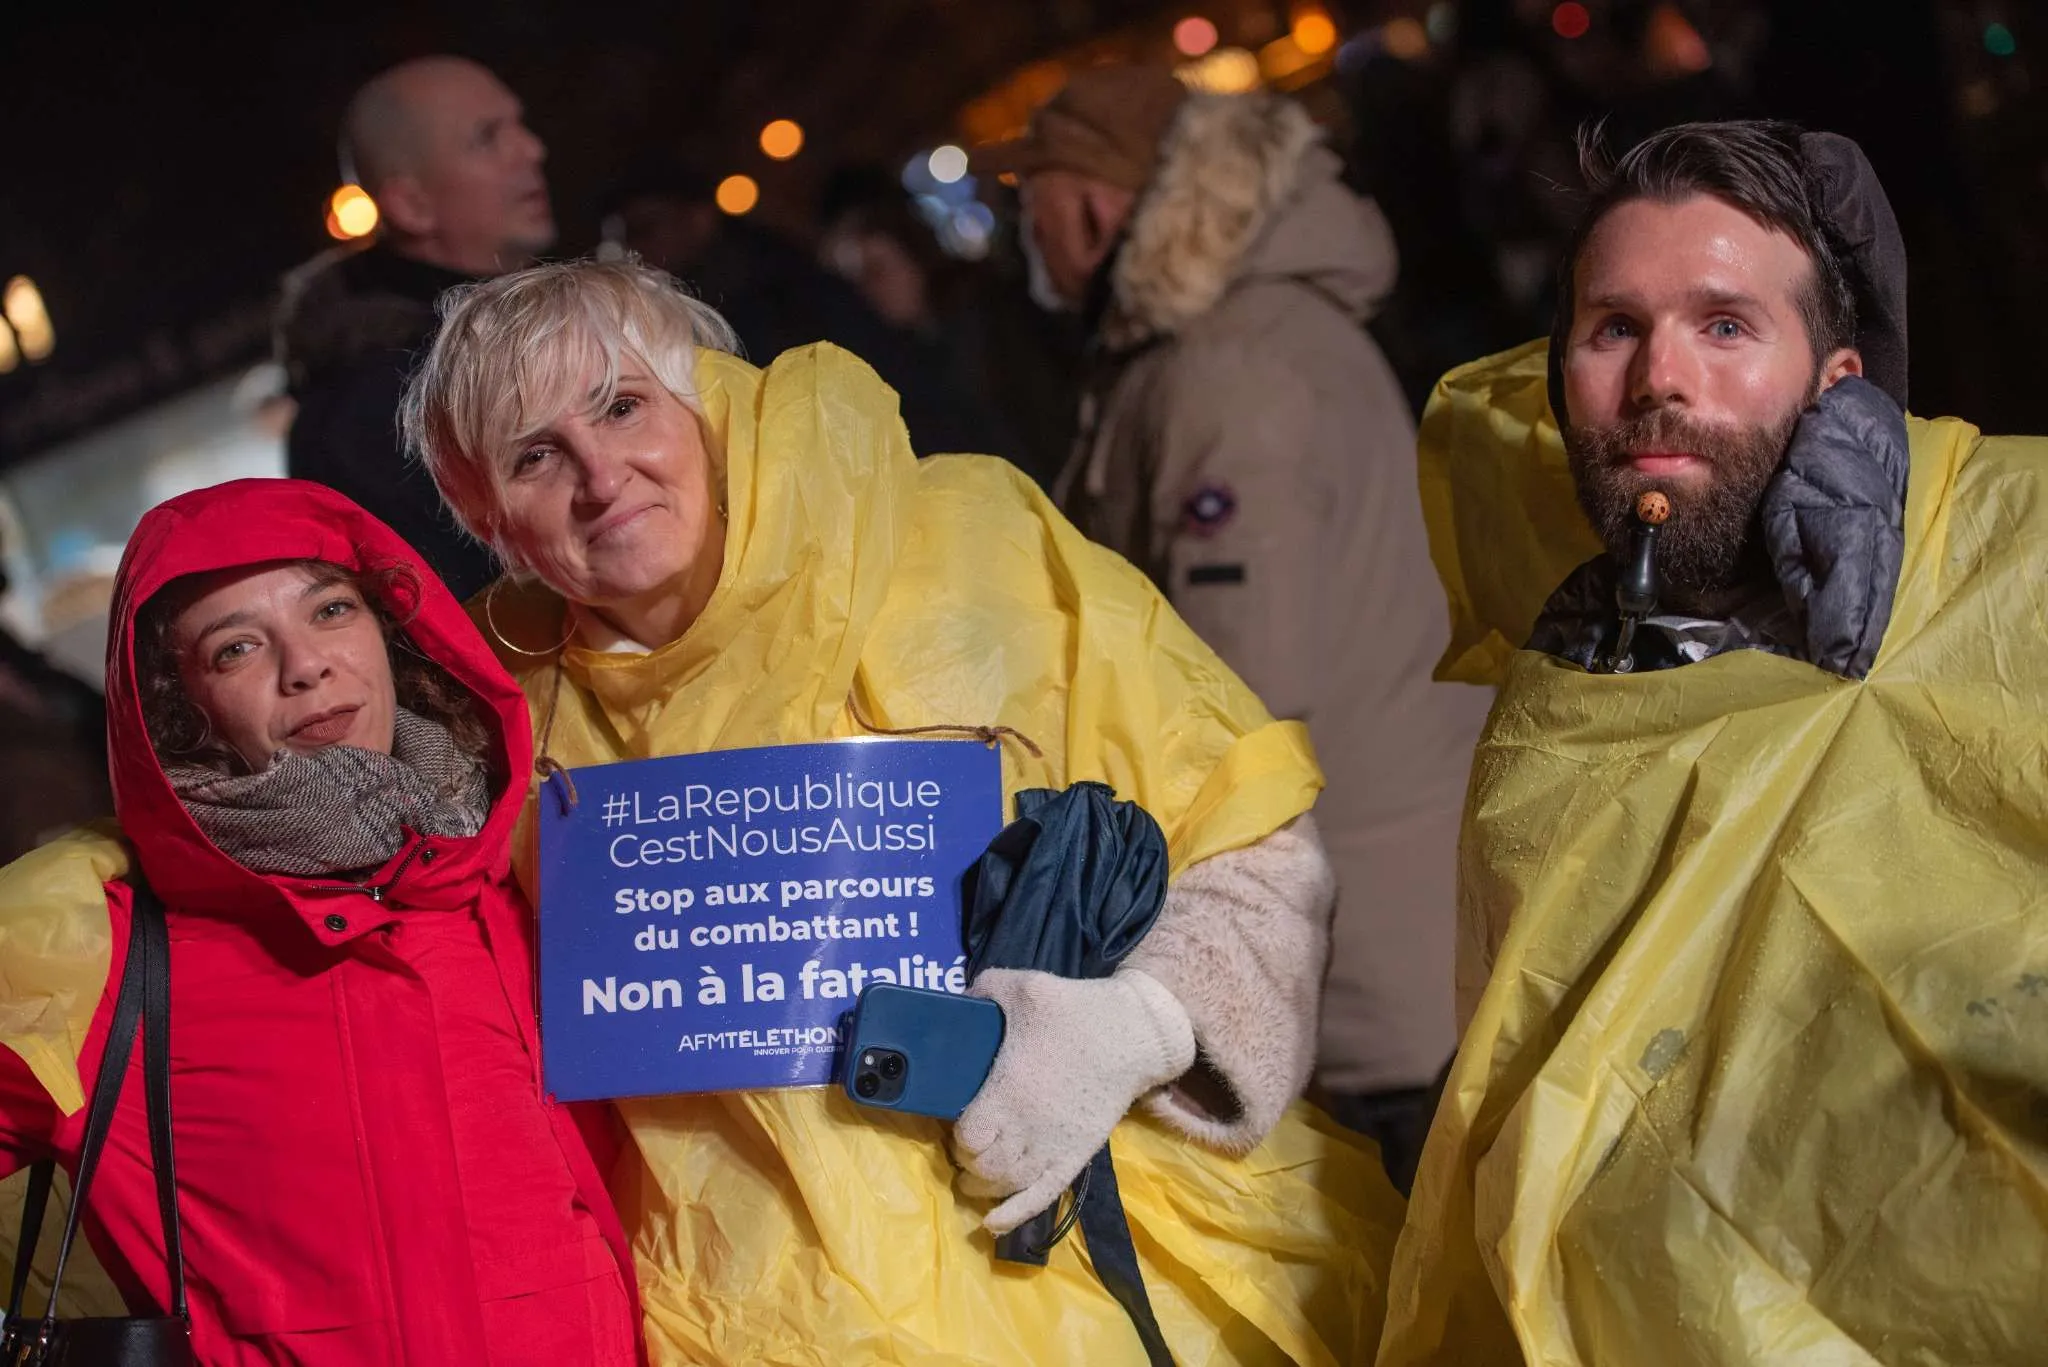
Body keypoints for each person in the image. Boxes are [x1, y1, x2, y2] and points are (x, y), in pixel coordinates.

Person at [402, 257, 1405, 1365]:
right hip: (777, 1326)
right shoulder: (489, 710)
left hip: (1108, 1268)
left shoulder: (964, 543)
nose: (602, 475)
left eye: (623, 405)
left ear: (706, 402)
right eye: (535, 456)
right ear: (483, 512)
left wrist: (1140, 1028)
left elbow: (1250, 831)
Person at [1380, 121, 2048, 1364]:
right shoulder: (1553, 704)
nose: (1656, 379)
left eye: (1725, 325)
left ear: (1835, 374)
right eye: (1613, 327)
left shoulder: (2013, 561)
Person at [979, 64, 1490, 1188]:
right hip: (1376, 893)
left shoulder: (1226, 369)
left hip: (1362, 946)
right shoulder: (1220, 340)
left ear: (1096, 204)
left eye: (1034, 201)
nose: (1025, 236)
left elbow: (1237, 687)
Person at [0, 480, 641, 1363]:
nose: (305, 666)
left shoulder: (519, 874)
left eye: (331, 608)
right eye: (235, 648)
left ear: (388, 628)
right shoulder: (98, 956)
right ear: (176, 710)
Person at [279, 55, 554, 601]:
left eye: (519, 124)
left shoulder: (536, 328)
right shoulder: (366, 414)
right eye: (488, 138)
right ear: (411, 205)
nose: (532, 149)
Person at [599, 163, 1003, 461]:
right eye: (622, 243)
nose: (637, 251)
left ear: (699, 218)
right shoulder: (687, 310)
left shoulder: (776, 289)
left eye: (646, 228)